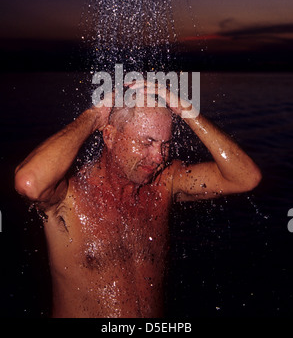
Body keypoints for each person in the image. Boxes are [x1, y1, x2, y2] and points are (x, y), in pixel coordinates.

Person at [14, 80, 261, 318]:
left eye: (165, 144)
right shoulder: (68, 196)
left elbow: (245, 178)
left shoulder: (164, 183)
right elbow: (29, 182)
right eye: (147, 142)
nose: (158, 157)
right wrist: (92, 118)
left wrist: (185, 110)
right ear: (109, 137)